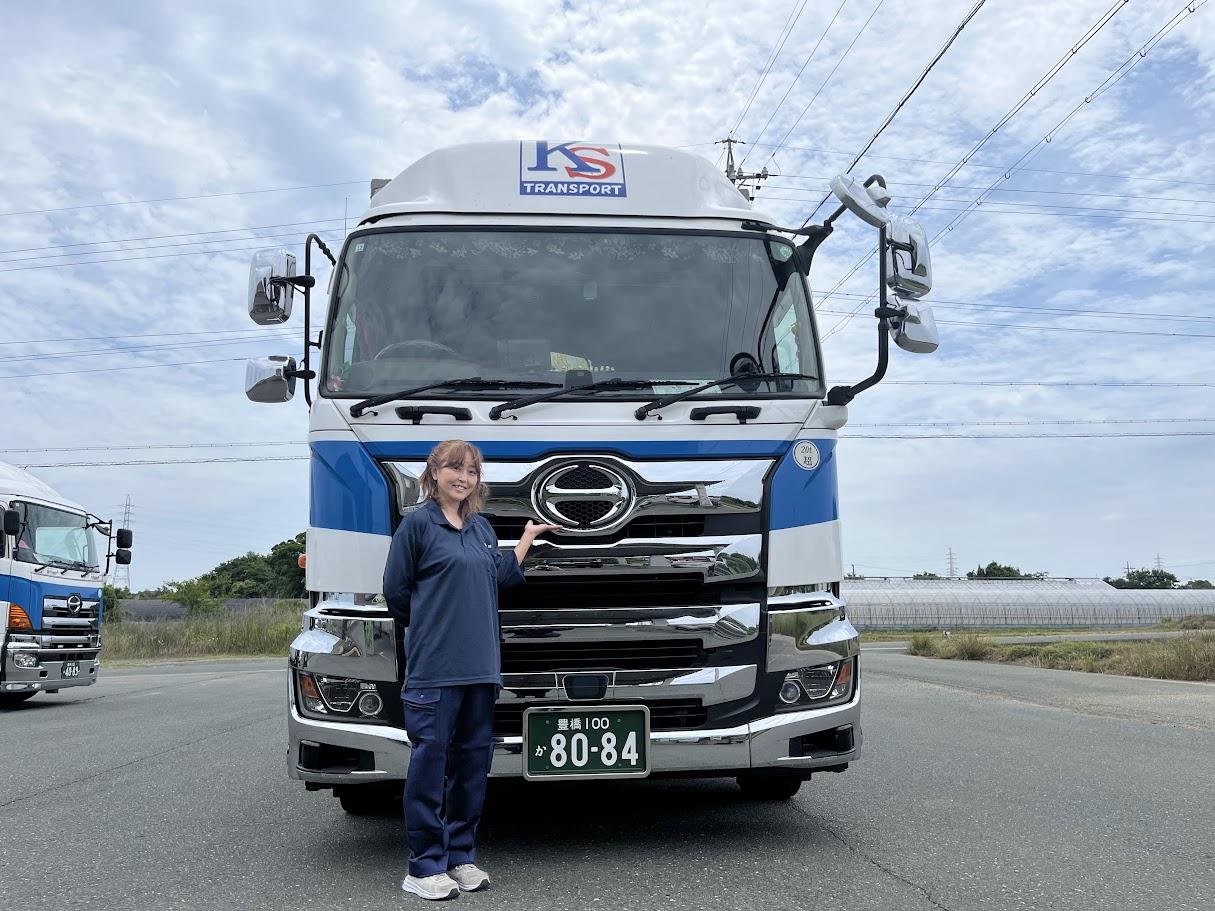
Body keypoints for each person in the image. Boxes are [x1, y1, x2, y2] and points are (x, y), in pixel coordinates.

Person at [383, 439, 558, 901]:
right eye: (455, 468)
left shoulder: (481, 529)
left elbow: (496, 575)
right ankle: (424, 866)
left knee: (471, 767)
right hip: (435, 669)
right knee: (429, 765)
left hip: (481, 669)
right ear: (434, 472)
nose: (464, 478)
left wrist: (526, 539)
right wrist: (435, 626)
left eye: (472, 471)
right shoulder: (417, 526)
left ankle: (460, 856)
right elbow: (397, 594)